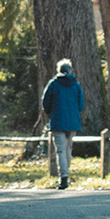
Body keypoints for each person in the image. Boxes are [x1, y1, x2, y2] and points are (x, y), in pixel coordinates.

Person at [41, 58, 84, 189]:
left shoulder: (53, 83)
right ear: (70, 70)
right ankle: (66, 174)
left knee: (60, 150)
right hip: (73, 123)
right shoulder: (76, 85)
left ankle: (63, 178)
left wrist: (51, 112)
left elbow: (45, 103)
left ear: (58, 70)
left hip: (58, 121)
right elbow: (81, 105)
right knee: (68, 149)